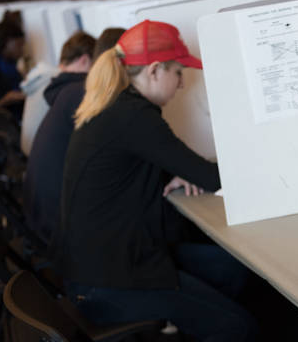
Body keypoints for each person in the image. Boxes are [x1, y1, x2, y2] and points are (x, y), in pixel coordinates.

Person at [51, 20, 257, 341]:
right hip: (109, 282)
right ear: (155, 70)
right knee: (238, 327)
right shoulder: (134, 116)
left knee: (230, 271)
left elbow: (129, 166)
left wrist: (175, 171)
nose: (181, 84)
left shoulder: (114, 105)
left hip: (102, 264)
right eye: (178, 73)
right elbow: (211, 177)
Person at [22, 31, 98, 243]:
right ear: (85, 60)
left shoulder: (55, 84)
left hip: (37, 205)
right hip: (57, 223)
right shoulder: (76, 92)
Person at [20, 32, 96, 156]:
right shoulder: (65, 86)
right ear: (84, 61)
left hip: (32, 154)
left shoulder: (46, 78)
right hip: (42, 155)